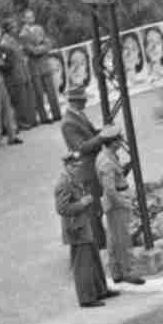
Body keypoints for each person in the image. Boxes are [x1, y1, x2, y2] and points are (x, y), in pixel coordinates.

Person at [56, 150, 116, 307]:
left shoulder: (73, 178)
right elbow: (62, 209)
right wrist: (83, 203)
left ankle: (100, 290)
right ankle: (86, 298)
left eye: (78, 166)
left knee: (94, 259)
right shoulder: (63, 183)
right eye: (74, 166)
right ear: (67, 166)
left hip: (84, 225)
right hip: (75, 228)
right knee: (82, 264)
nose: (78, 169)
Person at [61, 87, 113, 251]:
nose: (86, 101)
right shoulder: (68, 123)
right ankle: (99, 245)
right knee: (93, 209)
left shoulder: (78, 115)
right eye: (84, 99)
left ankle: (101, 242)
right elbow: (81, 147)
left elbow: (89, 134)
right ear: (76, 101)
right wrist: (102, 137)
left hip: (92, 164)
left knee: (97, 206)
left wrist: (102, 132)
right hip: (86, 169)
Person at [95, 125, 145, 285]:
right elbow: (110, 189)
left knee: (114, 238)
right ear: (113, 142)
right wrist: (124, 203)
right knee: (122, 238)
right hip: (116, 203)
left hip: (114, 201)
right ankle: (127, 271)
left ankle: (116, 271)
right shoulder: (107, 161)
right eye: (118, 140)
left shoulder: (107, 156)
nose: (120, 142)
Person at [19, 9, 60, 124]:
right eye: (28, 17)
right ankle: (44, 118)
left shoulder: (40, 28)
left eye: (32, 16)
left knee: (51, 91)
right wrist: (42, 47)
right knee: (39, 94)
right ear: (24, 19)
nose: (31, 18)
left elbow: (49, 44)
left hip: (45, 64)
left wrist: (41, 47)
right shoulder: (23, 34)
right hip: (34, 67)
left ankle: (57, 114)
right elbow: (32, 51)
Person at [0, 36, 22, 148]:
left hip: (2, 80)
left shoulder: (1, 49)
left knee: (7, 108)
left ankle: (12, 136)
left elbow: (9, 65)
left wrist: (1, 63)